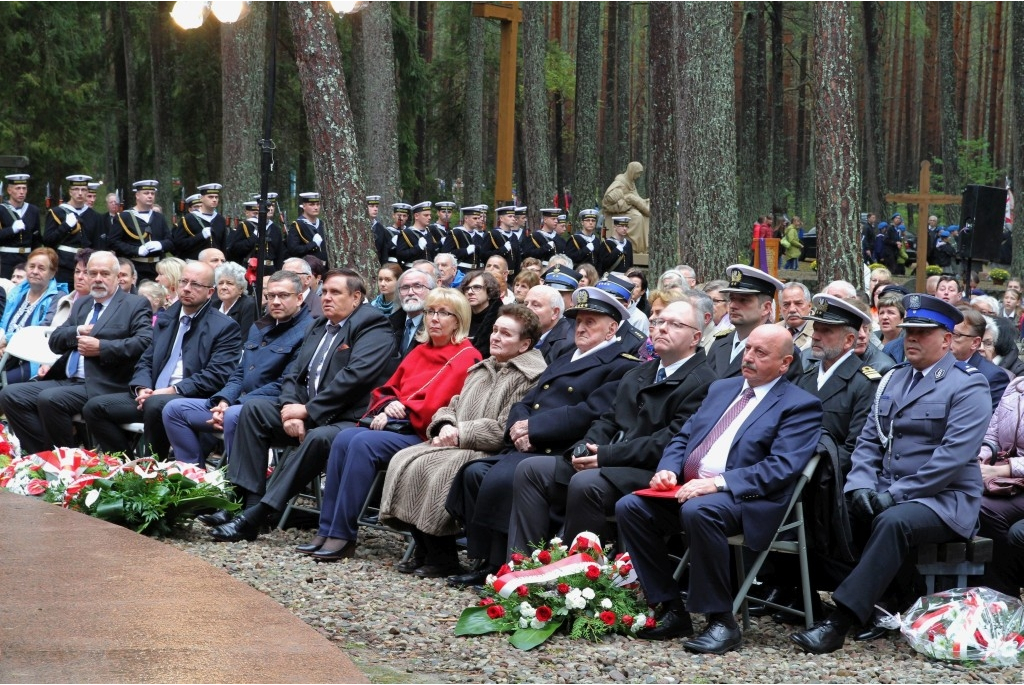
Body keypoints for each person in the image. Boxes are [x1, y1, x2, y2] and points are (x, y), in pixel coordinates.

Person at [791, 294, 992, 655]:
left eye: (922, 332)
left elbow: (950, 459)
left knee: (892, 521)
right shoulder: (894, 379)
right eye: (909, 331)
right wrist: (862, 485)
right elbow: (869, 441)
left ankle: (841, 620)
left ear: (947, 339)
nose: (911, 338)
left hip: (945, 500)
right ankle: (882, 605)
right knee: (830, 510)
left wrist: (894, 494)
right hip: (888, 490)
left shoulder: (967, 385)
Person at [615, 324, 822, 653]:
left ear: (784, 364)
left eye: (760, 353)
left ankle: (721, 621)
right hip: (692, 490)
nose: (748, 357)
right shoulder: (722, 389)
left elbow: (781, 468)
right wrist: (668, 470)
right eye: (748, 348)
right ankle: (671, 607)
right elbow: (683, 436)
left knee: (700, 510)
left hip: (749, 499)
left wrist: (717, 483)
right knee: (631, 507)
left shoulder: (800, 405)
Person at [446, 286, 638, 586]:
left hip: (557, 446)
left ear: (612, 328)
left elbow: (591, 411)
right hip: (528, 441)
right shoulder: (566, 354)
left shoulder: (621, 364)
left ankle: (507, 565)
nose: (582, 328)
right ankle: (485, 558)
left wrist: (534, 429)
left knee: (499, 477)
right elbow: (527, 399)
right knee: (474, 472)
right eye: (579, 321)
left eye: (591, 322)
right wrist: (519, 425)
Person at [203, 269, 398, 542]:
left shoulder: (373, 325)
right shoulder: (318, 326)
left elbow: (355, 378)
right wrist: (290, 408)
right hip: (308, 411)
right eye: (325, 292)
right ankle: (245, 505)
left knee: (318, 437)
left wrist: (308, 411)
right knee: (254, 409)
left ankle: (258, 515)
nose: (326, 298)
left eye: (335, 293)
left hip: (349, 418)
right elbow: (294, 374)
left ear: (356, 298)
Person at [508, 300, 715, 553]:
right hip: (609, 461)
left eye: (674, 325)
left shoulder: (704, 382)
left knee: (586, 483)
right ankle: (522, 564)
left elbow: (669, 441)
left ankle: (577, 578)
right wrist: (585, 448)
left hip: (653, 472)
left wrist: (605, 456)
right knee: (530, 470)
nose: (661, 329)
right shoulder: (639, 372)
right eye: (658, 322)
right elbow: (608, 420)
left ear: (695, 337)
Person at [293, 288, 482, 561]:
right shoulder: (420, 351)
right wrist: (388, 405)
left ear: (459, 319)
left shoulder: (465, 356)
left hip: (425, 434)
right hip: (397, 426)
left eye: (444, 313)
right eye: (430, 312)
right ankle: (327, 528)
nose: (434, 319)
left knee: (360, 443)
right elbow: (387, 389)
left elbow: (442, 406)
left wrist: (401, 409)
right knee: (344, 438)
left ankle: (343, 534)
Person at [379, 305, 546, 576]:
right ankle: (423, 547)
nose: (495, 337)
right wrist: (445, 424)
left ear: (524, 344)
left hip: (486, 449)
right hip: (454, 440)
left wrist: (460, 432)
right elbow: (452, 404)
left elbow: (507, 426)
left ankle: (441, 555)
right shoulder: (481, 368)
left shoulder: (531, 377)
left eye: (506, 334)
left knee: (437, 471)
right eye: (494, 331)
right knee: (402, 459)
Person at [81, 260, 242, 459]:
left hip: (191, 397)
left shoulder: (225, 327)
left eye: (196, 284)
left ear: (210, 292)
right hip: (152, 395)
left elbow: (216, 376)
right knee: (94, 408)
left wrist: (172, 390)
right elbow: (145, 360)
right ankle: (128, 466)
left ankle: (153, 469)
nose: (187, 289)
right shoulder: (167, 318)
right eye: (184, 282)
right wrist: (142, 387)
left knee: (156, 405)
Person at [0, 251, 152, 452]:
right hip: (68, 379)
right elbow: (55, 341)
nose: (97, 279)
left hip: (105, 382)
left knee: (51, 399)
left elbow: (144, 342)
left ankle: (67, 460)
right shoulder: (83, 304)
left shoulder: (134, 304)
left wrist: (101, 348)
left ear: (117, 277)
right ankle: (44, 456)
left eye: (104, 274)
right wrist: (78, 330)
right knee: (10, 394)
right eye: (92, 273)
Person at [162, 270, 313, 465]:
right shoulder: (259, 327)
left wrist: (236, 404)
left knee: (235, 416)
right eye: (270, 296)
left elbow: (286, 383)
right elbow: (240, 372)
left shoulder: (309, 331)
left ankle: (238, 488)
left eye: (283, 295)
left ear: (300, 298)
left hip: (273, 408)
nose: (275, 301)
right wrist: (225, 400)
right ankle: (194, 479)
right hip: (237, 403)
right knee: (174, 409)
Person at [976, 378, 1024, 596]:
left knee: (988, 510)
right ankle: (999, 595)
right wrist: (982, 459)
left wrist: (1004, 470)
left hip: (1010, 475)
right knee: (976, 504)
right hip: (1009, 481)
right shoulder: (1017, 386)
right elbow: (992, 435)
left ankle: (1004, 592)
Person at [0, 247, 66, 383]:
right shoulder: (18, 292)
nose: (35, 271)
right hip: (4, 352)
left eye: (41, 268)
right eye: (31, 266)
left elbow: (40, 330)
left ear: (52, 273)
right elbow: (3, 321)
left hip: (31, 360)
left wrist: (8, 342)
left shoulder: (57, 298)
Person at [43, 175, 104, 287]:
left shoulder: (95, 216)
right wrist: (66, 226)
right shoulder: (56, 212)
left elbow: (98, 245)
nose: (80, 193)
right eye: (76, 189)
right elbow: (48, 241)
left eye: (83, 190)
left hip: (86, 266)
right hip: (63, 266)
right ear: (70, 192)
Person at [109, 180, 171, 281]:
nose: (150, 196)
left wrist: (160, 244)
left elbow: (170, 241)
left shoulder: (159, 217)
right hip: (134, 267)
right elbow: (113, 242)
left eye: (152, 193)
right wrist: (136, 250)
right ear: (137, 195)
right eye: (146, 193)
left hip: (157, 268)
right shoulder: (124, 217)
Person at [952, 307, 1010, 412]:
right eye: (947, 333)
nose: (948, 339)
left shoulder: (993, 376)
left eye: (956, 335)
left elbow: (991, 423)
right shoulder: (936, 364)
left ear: (975, 343)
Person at [600, 161, 650, 253]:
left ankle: (643, 248)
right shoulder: (620, 183)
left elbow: (636, 197)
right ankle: (634, 248)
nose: (638, 176)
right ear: (632, 171)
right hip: (618, 212)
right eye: (638, 173)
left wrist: (643, 201)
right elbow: (607, 203)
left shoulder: (631, 183)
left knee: (645, 216)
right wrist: (625, 203)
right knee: (638, 218)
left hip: (628, 209)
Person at [0, 174, 41, 279]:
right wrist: (11, 230)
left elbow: (36, 239)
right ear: (9, 190)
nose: (21, 192)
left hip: (27, 258)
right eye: (18, 188)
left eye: (24, 188)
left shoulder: (33, 210)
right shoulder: (2, 210)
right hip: (6, 259)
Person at [173, 183, 227, 260]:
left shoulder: (220, 219)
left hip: (216, 264)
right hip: (195, 263)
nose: (214, 200)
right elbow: (179, 244)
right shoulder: (188, 219)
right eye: (210, 197)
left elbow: (223, 245)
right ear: (201, 198)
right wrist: (200, 236)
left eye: (216, 197)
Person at [389, 267, 433, 359]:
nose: (410, 292)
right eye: (405, 287)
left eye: (418, 286)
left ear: (431, 291)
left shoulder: (436, 326)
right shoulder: (390, 324)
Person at [524, 284, 573, 363]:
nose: (527, 309)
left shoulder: (567, 344)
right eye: (526, 304)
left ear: (555, 313)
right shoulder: (524, 331)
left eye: (535, 305)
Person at [461, 270, 502, 359]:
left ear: (489, 292)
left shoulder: (500, 318)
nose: (470, 292)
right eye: (467, 288)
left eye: (477, 287)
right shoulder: (460, 317)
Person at [214, 261, 257, 338]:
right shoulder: (214, 305)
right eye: (220, 283)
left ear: (240, 288)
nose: (223, 287)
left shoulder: (248, 305)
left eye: (229, 283)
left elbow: (246, 338)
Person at [286, 192, 328, 266]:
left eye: (318, 204)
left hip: (325, 267)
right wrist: (313, 244)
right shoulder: (297, 225)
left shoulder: (323, 224)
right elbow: (293, 250)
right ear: (304, 206)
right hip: (308, 267)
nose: (316, 207)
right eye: (311, 205)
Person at [778, 282, 813, 351]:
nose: (792, 310)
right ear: (780, 309)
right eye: (786, 304)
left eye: (798, 303)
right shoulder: (773, 331)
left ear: (809, 306)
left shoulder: (820, 332)